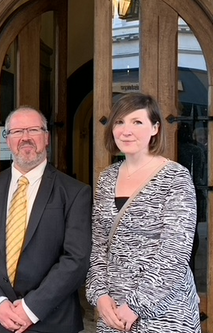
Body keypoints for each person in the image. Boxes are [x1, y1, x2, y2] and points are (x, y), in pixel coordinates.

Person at [0, 106, 92, 333]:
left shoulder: (74, 192)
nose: (25, 138)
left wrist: (31, 307)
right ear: (8, 139)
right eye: (17, 132)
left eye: (33, 130)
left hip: (52, 319)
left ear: (47, 137)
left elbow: (77, 258)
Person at [85, 92, 201, 332]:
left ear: (155, 128)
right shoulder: (106, 178)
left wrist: (136, 305)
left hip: (165, 310)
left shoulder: (175, 177)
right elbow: (98, 246)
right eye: (119, 122)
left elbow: (175, 253)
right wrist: (100, 296)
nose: (126, 130)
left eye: (137, 122)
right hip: (114, 312)